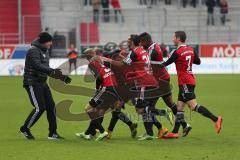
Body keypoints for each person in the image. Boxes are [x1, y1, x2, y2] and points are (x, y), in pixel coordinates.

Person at [98, 35, 168, 140]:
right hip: (139, 83)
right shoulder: (142, 51)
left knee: (141, 109)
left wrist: (104, 61)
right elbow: (131, 64)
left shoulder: (134, 53)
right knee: (134, 109)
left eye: (129, 41)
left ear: (133, 42)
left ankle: (160, 120)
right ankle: (156, 128)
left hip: (140, 83)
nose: (127, 43)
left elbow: (122, 65)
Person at [159, 31, 222, 138]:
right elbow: (198, 62)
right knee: (179, 108)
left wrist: (152, 66)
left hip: (185, 82)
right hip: (190, 80)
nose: (172, 39)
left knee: (193, 106)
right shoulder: (191, 49)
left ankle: (216, 119)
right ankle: (174, 132)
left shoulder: (177, 52)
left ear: (178, 38)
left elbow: (165, 64)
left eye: (173, 37)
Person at [19, 32, 71, 140]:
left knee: (51, 107)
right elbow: (37, 66)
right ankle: (25, 129)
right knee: (39, 108)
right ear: (43, 42)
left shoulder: (45, 51)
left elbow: (46, 68)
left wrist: (61, 77)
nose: (51, 44)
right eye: (49, 41)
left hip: (42, 82)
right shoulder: (33, 50)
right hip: (32, 82)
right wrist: (53, 71)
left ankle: (53, 133)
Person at [139, 32, 192, 137]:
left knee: (146, 107)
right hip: (164, 79)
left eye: (142, 42)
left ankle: (151, 131)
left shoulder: (152, 52)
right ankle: (185, 124)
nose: (141, 45)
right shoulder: (154, 47)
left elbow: (146, 67)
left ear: (146, 41)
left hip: (159, 82)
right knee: (171, 104)